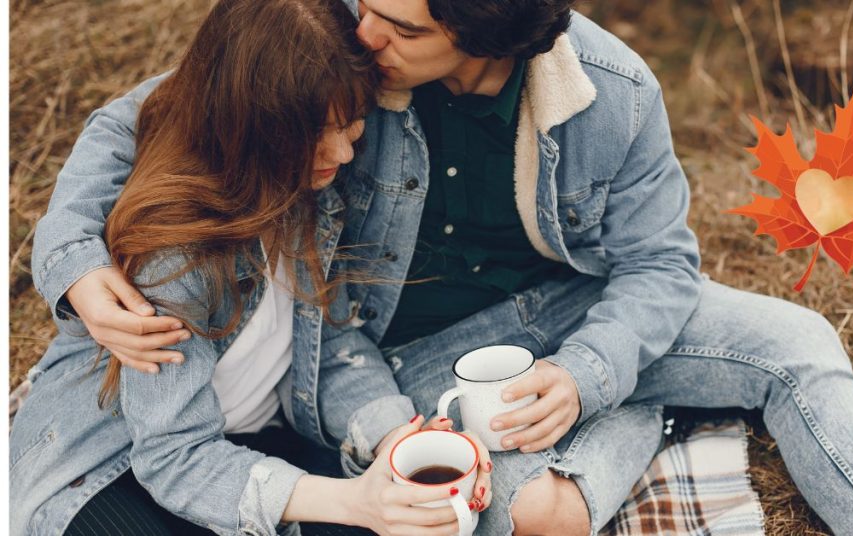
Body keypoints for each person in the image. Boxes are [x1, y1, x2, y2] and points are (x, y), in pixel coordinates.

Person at [28, 1, 853, 535]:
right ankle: (647, 410)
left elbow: (661, 266)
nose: (370, 35)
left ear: (486, 38)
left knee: (800, 342)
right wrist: (73, 261)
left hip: (582, 311)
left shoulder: (611, 91)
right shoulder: (354, 28)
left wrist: (588, 371)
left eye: (401, 28)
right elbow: (165, 111)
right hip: (411, 354)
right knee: (535, 513)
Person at [11, 1, 494, 534]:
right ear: (250, 122)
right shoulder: (176, 253)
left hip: (252, 440)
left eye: (352, 123)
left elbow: (326, 346)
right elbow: (175, 458)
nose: (342, 152)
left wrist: (394, 436)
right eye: (314, 131)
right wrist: (355, 502)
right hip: (115, 465)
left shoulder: (310, 198)